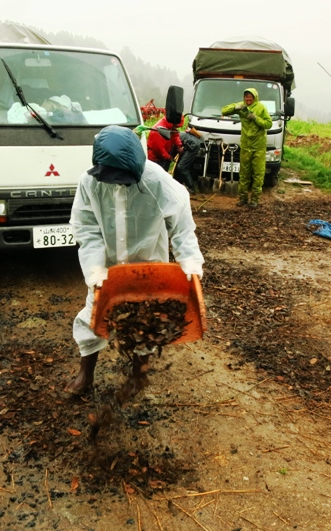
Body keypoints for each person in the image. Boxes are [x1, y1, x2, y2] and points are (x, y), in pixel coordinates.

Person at [65, 125, 204, 396]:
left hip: (148, 263)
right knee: (93, 316)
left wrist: (190, 266)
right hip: (109, 267)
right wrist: (95, 272)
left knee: (147, 322)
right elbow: (86, 227)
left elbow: (182, 227)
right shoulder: (90, 182)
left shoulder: (157, 181)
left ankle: (138, 375)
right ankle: (86, 375)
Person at [221, 89, 272, 208]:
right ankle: (243, 198)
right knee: (244, 174)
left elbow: (268, 124)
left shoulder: (261, 108)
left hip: (258, 147)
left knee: (258, 174)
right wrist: (236, 107)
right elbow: (224, 110)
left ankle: (254, 200)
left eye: (250, 98)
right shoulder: (242, 106)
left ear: (255, 98)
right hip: (245, 146)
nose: (248, 100)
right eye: (246, 98)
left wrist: (255, 118)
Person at [173, 127, 203, 194]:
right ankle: (177, 184)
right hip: (189, 143)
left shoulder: (172, 137)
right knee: (180, 165)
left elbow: (175, 150)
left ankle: (191, 188)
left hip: (193, 145)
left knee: (181, 167)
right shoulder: (175, 134)